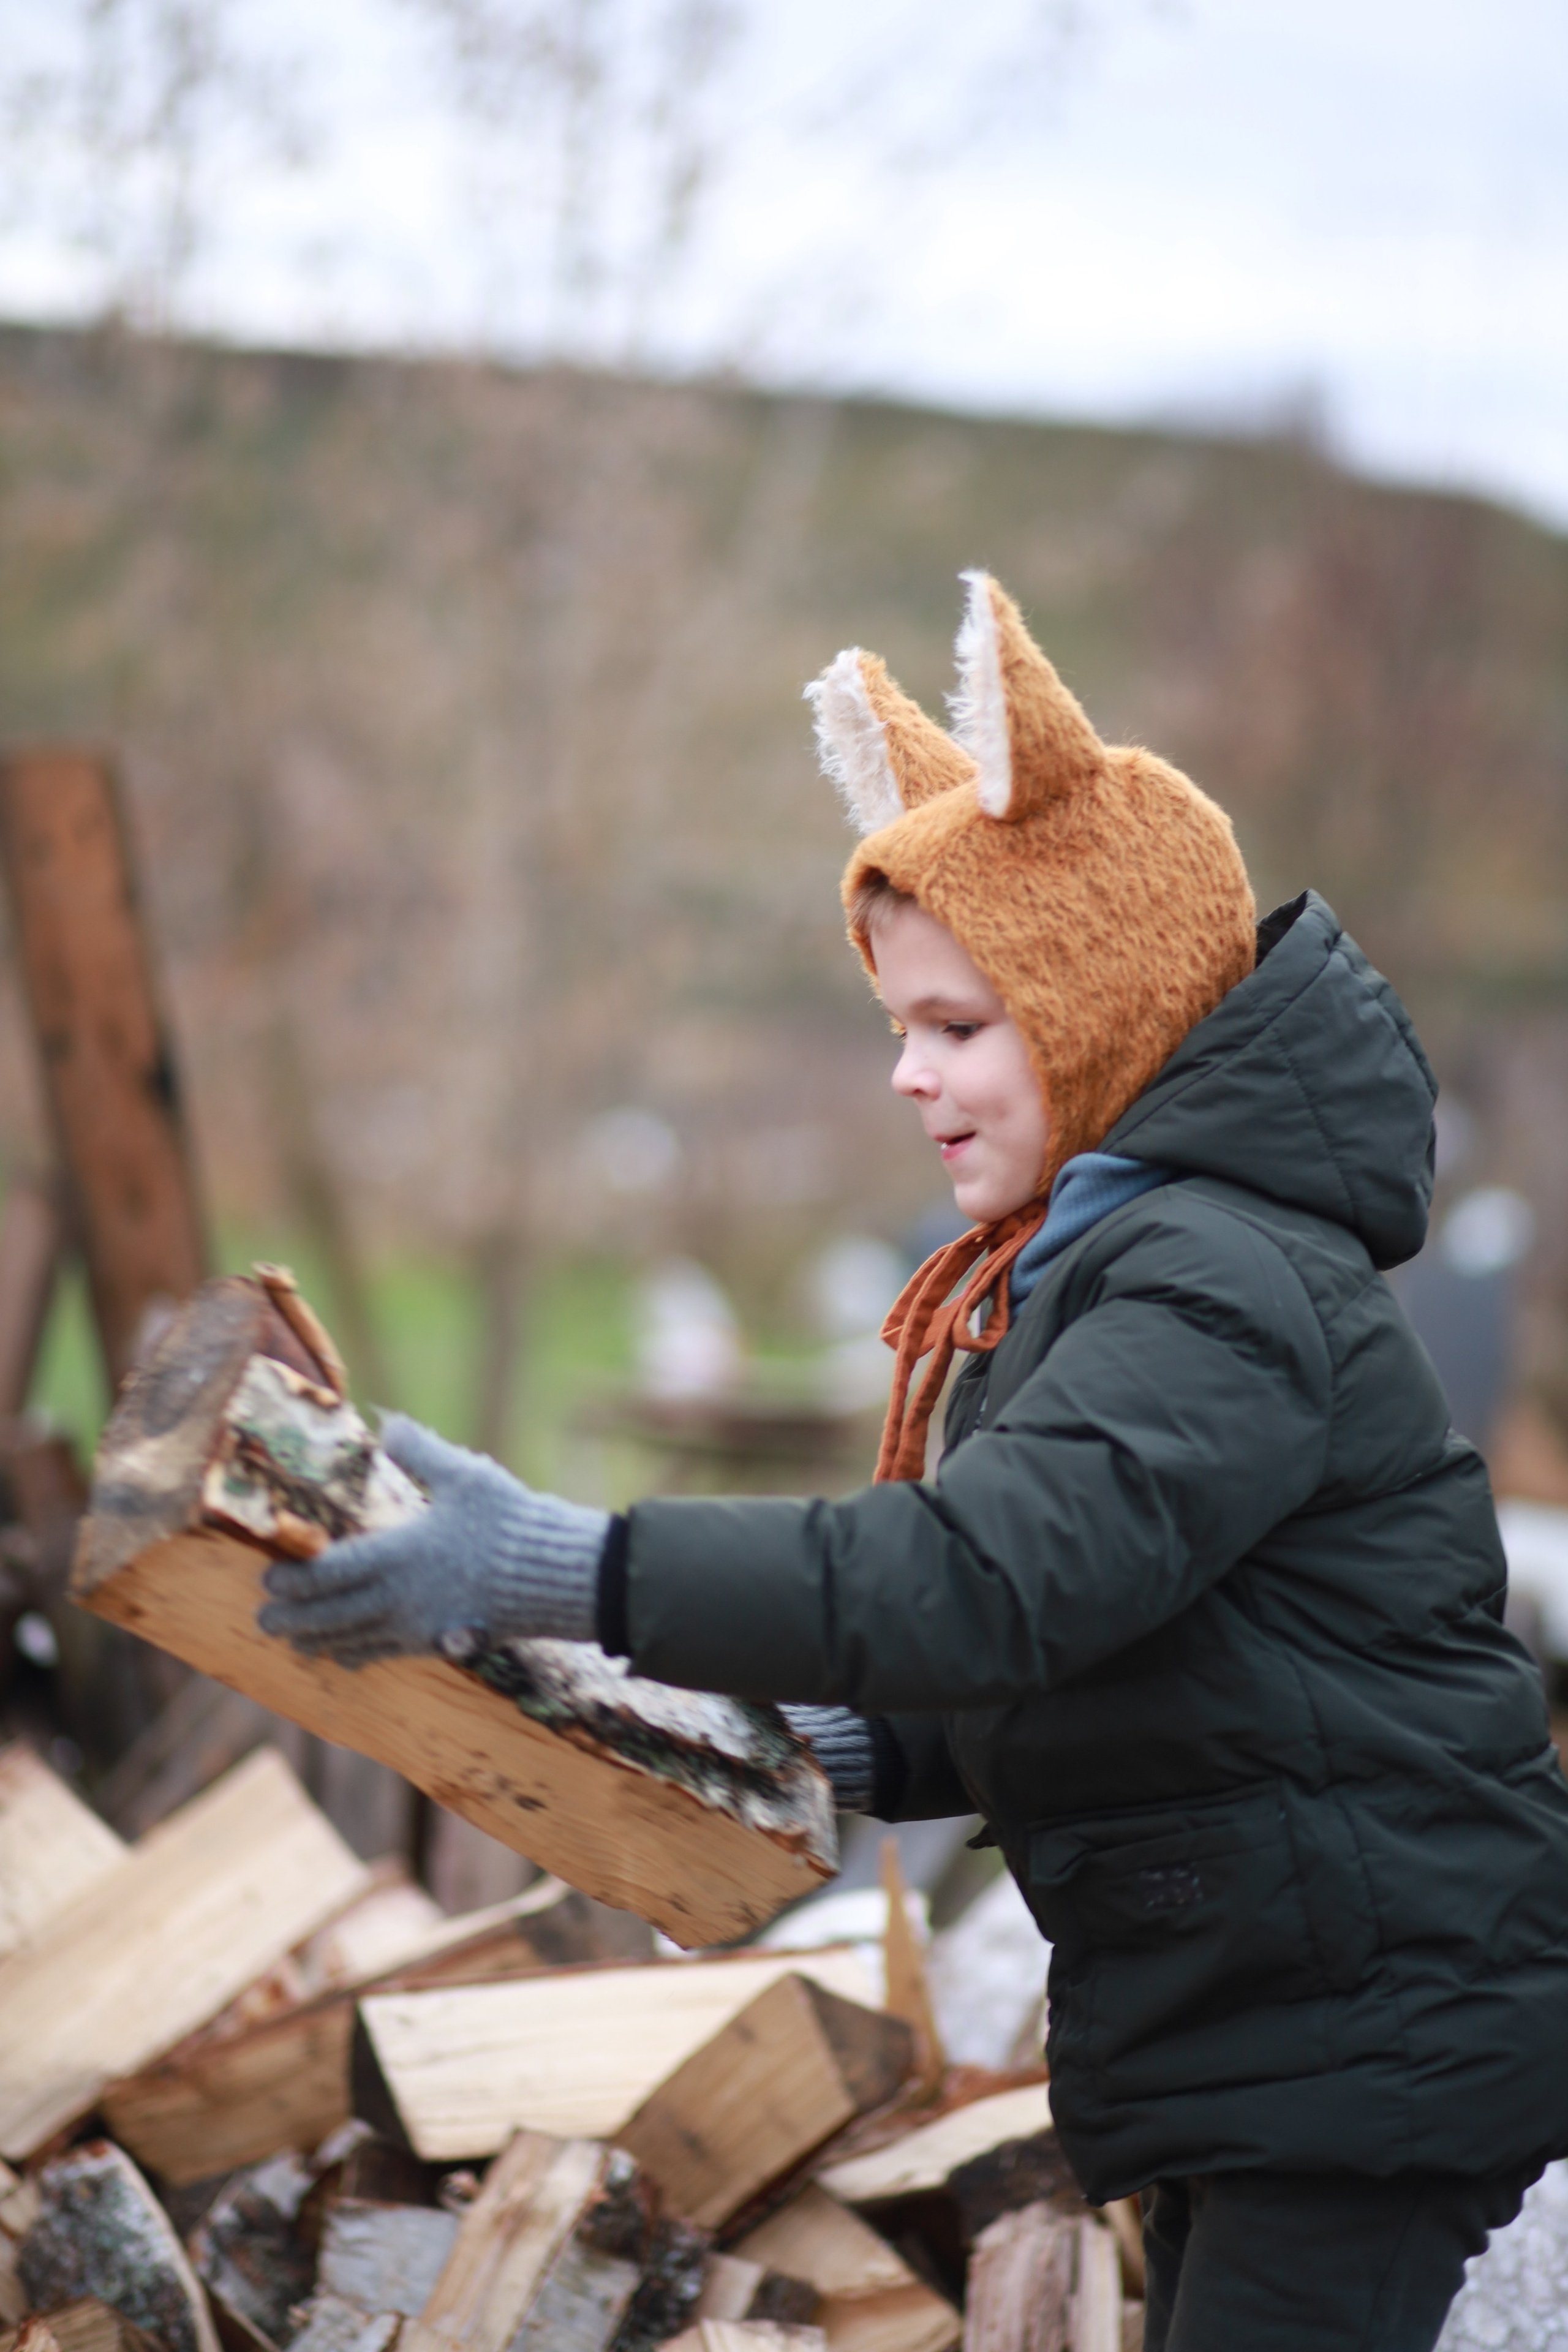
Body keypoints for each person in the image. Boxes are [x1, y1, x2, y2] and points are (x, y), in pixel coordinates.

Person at [259, 571, 1568, 2351]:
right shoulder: (1104, 1272)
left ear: (1101, 1011)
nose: (906, 1076)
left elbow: (987, 1583)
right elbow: (1103, 1641)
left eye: (957, 1028)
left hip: (1365, 2028)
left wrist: (567, 1565)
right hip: (1276, 2024)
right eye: (899, 1028)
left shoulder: (1217, 1283)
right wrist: (847, 1743)